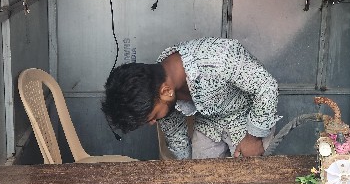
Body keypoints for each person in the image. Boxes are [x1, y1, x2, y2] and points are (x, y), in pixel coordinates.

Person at [102, 37, 280, 159]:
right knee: (201, 181)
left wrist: (253, 138)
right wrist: (187, 170)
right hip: (209, 123)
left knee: (250, 183)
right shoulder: (158, 87)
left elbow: (267, 87)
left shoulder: (219, 56)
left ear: (166, 91)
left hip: (249, 118)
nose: (153, 122)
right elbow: (176, 136)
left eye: (153, 116)